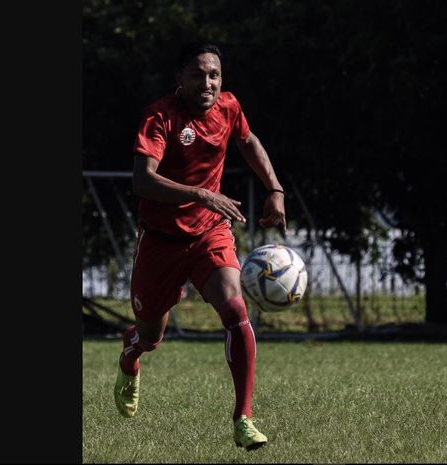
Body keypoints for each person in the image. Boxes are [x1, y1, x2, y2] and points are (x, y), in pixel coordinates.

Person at [113, 42, 286, 451]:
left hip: (210, 234)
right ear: (180, 79)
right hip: (160, 243)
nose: (207, 83)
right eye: (197, 74)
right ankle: (130, 355)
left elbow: (248, 141)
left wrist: (274, 188)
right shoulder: (160, 117)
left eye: (214, 75)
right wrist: (201, 194)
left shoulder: (229, 108)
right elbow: (142, 180)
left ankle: (243, 417)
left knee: (235, 309)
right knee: (152, 335)